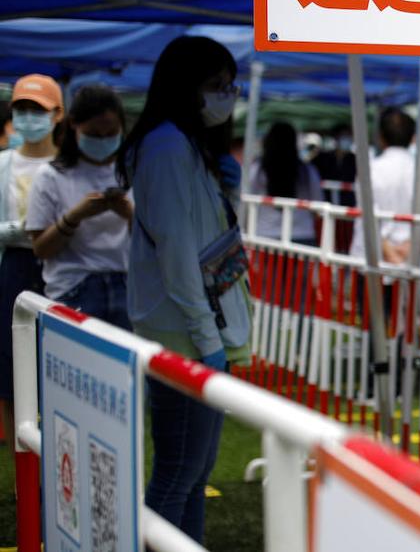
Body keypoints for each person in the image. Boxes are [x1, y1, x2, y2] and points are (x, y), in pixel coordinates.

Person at [118, 35, 252, 542]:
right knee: (178, 473)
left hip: (196, 329)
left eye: (229, 86)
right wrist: (207, 339)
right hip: (186, 334)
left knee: (193, 475)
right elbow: (176, 253)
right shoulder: (168, 146)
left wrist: (229, 186)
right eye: (216, 86)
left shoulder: (184, 145)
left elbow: (200, 230)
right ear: (186, 88)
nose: (227, 96)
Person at [27, 84, 132, 330]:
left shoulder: (132, 173)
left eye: (111, 133)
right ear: (74, 125)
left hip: (127, 286)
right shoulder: (50, 176)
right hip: (74, 288)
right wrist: (75, 216)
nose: (104, 140)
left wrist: (129, 215)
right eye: (94, 134)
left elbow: (155, 243)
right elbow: (41, 248)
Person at [0, 73, 63, 479]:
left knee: (60, 370)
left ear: (57, 114)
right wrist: (18, 232)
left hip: (61, 271)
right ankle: (24, 474)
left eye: (37, 110)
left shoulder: (67, 164)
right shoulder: (3, 162)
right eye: (21, 109)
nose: (28, 117)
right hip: (15, 269)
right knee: (9, 376)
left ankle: (60, 469)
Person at [350, 107, 420, 264]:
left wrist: (388, 250)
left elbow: (368, 213)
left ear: (380, 137)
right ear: (413, 138)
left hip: (371, 261)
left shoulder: (369, 171)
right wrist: (411, 245)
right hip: (411, 262)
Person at [249, 121, 322, 246]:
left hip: (265, 236)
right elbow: (318, 204)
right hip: (302, 236)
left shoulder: (257, 169)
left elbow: (247, 200)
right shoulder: (307, 170)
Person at [313, 123, 357, 207]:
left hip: (348, 206)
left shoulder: (355, 160)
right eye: (344, 135)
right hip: (326, 205)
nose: (347, 139)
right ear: (336, 138)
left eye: (349, 136)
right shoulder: (323, 158)